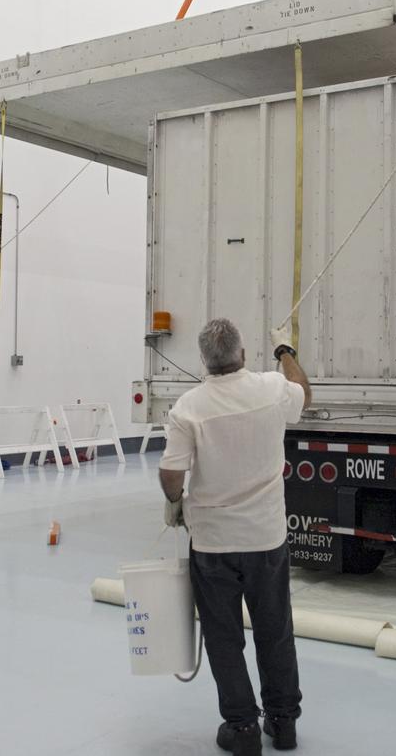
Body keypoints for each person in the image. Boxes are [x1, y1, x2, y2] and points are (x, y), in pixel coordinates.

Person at [159, 319, 311, 755]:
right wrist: (284, 350)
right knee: (275, 630)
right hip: (266, 538)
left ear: (204, 360)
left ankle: (242, 728)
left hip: (213, 544)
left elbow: (171, 472)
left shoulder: (189, 407)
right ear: (242, 354)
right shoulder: (272, 388)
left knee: (224, 637)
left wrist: (175, 502)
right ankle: (283, 722)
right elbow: (304, 392)